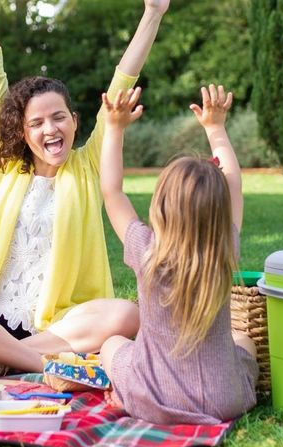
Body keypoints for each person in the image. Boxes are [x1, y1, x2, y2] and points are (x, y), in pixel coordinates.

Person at [0, 0, 169, 378]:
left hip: (55, 325)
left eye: (59, 117)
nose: (50, 129)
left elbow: (120, 86)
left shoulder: (88, 166)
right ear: (22, 132)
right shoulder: (6, 164)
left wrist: (153, 14)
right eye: (38, 122)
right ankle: (44, 365)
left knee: (127, 314)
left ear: (75, 122)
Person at [96, 84, 259, 424]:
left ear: (161, 206)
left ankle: (123, 395)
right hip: (223, 400)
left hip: (152, 398)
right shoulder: (224, 247)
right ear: (219, 212)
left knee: (112, 345)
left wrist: (114, 129)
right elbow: (234, 184)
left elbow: (112, 193)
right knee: (243, 340)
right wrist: (215, 129)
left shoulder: (146, 250)